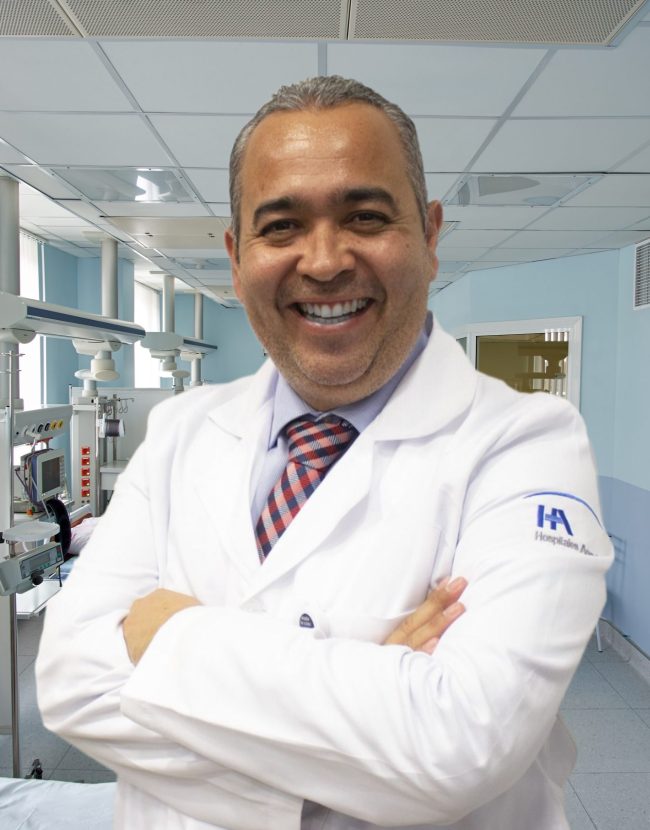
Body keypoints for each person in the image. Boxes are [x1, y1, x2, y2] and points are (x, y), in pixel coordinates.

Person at [36, 76, 612, 830]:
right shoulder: (179, 432)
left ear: (430, 236)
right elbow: (70, 683)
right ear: (236, 256)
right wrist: (365, 718)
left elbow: (461, 748)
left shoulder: (529, 444)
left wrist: (172, 638)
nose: (325, 261)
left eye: (365, 216)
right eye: (281, 227)